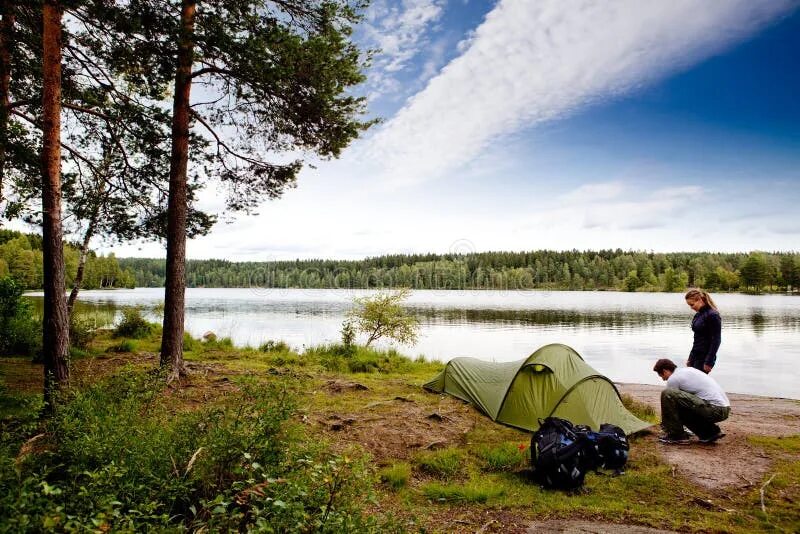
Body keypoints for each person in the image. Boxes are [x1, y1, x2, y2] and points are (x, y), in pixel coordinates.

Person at [653, 358, 730, 444]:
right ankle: (709, 433)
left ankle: (677, 436)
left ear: (665, 371)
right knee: (681, 405)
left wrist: (666, 427)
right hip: (724, 408)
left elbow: (669, 405)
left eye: (662, 376)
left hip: (715, 409)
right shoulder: (687, 370)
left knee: (667, 394)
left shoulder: (673, 378)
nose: (663, 379)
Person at [685, 288, 721, 373]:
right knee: (691, 382)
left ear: (700, 300)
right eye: (689, 305)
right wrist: (690, 357)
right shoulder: (698, 315)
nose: (691, 308)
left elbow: (716, 340)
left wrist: (709, 361)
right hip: (695, 354)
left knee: (696, 384)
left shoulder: (713, 315)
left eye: (692, 304)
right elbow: (697, 338)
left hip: (705, 357)